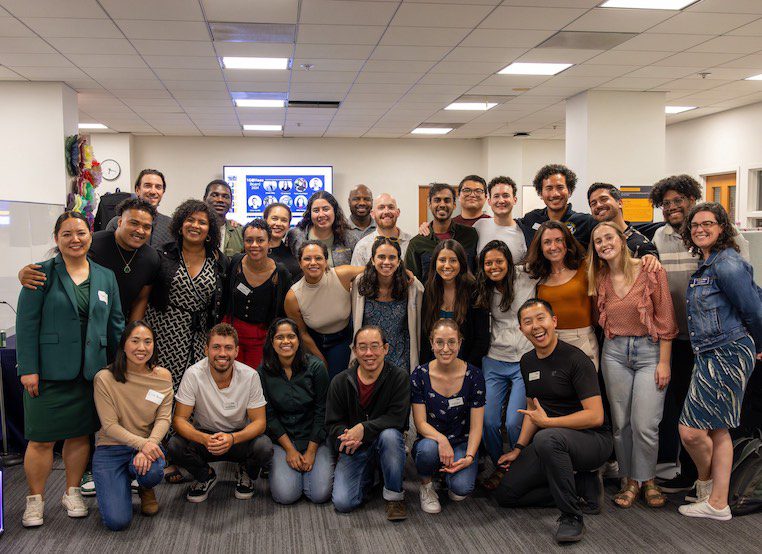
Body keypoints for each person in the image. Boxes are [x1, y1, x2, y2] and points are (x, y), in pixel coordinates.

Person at [17, 211, 124, 528]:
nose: (75, 239)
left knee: (79, 436)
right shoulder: (40, 273)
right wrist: (28, 369)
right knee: (41, 440)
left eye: (80, 233)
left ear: (90, 235)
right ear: (56, 239)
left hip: (91, 372)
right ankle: (35, 500)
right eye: (67, 234)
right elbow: (26, 324)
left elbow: (115, 323)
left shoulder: (105, 276)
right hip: (47, 373)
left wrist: (117, 368)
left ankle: (72, 492)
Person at [649, 175, 750, 495]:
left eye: (679, 200)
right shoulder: (660, 237)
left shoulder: (724, 237)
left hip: (715, 340)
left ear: (693, 199)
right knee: (684, 408)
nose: (672, 207)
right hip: (677, 339)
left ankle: (722, 483)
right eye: (665, 203)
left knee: (716, 416)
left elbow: (743, 290)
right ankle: (691, 473)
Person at [494, 299, 612, 545]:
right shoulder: (527, 361)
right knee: (506, 494)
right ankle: (581, 485)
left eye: (541, 318)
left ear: (554, 321)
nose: (536, 326)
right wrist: (518, 448)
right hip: (551, 438)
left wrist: (548, 423)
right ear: (521, 330)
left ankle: (571, 516)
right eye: (528, 322)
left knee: (547, 438)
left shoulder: (576, 359)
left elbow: (595, 416)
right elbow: (532, 410)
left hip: (592, 440)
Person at [677, 203, 762, 521]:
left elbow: (754, 309)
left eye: (707, 223)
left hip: (726, 352)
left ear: (722, 226)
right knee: (717, 430)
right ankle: (717, 500)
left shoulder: (727, 264)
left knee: (691, 431)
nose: (700, 228)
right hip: (711, 352)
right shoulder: (710, 261)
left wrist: (759, 344)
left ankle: (711, 491)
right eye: (695, 225)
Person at [589, 222, 678, 509]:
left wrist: (664, 362)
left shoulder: (650, 269)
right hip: (614, 353)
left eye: (608, 237)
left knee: (645, 424)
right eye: (598, 241)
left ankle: (648, 480)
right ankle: (629, 480)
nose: (604, 243)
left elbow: (666, 319)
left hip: (649, 351)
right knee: (621, 424)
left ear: (621, 239)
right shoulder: (600, 277)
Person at [168, 323, 273, 503]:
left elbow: (259, 422)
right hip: (205, 438)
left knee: (264, 446)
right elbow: (179, 420)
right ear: (206, 350)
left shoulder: (250, 376)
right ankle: (206, 475)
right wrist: (204, 439)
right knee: (174, 445)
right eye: (216, 347)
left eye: (228, 348)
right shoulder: (193, 374)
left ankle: (245, 471)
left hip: (238, 438)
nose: (222, 353)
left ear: (236, 351)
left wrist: (232, 439)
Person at [19, 197, 160, 323]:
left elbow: (141, 299)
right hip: (77, 323)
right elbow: (57, 266)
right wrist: (26, 274)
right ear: (120, 222)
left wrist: (132, 332)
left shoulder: (151, 258)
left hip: (115, 326)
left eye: (146, 227)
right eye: (134, 223)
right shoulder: (92, 244)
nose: (140, 231)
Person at [91, 321, 173, 530]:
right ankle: (122, 484)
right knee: (117, 522)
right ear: (124, 345)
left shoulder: (162, 376)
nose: (142, 348)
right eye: (135, 341)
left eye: (148, 342)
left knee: (153, 473)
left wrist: (148, 446)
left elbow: (164, 419)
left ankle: (145, 486)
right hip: (111, 448)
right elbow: (109, 426)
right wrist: (143, 445)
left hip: (147, 446)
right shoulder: (105, 378)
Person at [326, 326, 410, 521]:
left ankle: (394, 497)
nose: (369, 353)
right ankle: (372, 476)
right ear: (354, 351)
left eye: (375, 346)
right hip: (354, 448)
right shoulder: (340, 381)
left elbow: (398, 419)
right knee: (343, 503)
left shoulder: (399, 377)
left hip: (386, 443)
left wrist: (363, 429)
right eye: (362, 347)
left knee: (390, 435)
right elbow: (332, 423)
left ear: (386, 348)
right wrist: (347, 437)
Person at [145, 199, 229, 393]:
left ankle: (184, 424)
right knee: (158, 385)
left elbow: (220, 304)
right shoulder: (163, 254)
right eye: (190, 220)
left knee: (192, 388)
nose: (195, 226)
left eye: (202, 222)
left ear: (210, 230)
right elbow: (144, 296)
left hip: (198, 336)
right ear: (180, 223)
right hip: (162, 331)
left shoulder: (218, 260)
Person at [474, 240, 537, 488]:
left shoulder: (527, 276)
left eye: (499, 261)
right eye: (488, 263)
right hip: (495, 358)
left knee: (513, 421)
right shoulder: (483, 287)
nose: (493, 267)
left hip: (524, 358)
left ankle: (519, 465)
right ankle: (500, 465)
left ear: (509, 262)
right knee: (488, 420)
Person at [411, 319, 485, 514]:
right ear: (431, 343)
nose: (446, 348)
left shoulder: (475, 376)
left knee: (461, 489)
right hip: (431, 441)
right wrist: (440, 439)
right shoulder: (419, 374)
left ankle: (448, 478)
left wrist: (469, 457)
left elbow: (477, 426)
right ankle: (426, 485)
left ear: (460, 343)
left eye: (452, 342)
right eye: (440, 342)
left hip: (462, 441)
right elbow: (419, 423)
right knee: (427, 451)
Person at [258, 319, 334, 505]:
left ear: (299, 340)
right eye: (279, 337)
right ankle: (282, 468)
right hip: (282, 440)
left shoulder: (316, 368)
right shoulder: (263, 372)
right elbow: (268, 414)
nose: (286, 342)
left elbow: (322, 411)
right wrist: (290, 450)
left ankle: (309, 468)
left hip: (314, 438)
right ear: (271, 342)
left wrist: (311, 451)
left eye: (291, 336)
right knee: (286, 496)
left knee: (319, 495)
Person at [285, 241, 365, 379]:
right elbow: (302, 333)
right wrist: (320, 359)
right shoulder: (293, 297)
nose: (313, 263)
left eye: (318, 258)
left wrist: (404, 271)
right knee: (316, 378)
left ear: (326, 261)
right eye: (307, 259)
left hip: (342, 339)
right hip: (313, 341)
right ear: (299, 263)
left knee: (337, 380)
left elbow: (377, 268)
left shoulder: (342, 275)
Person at [525, 221, 599, 369]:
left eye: (559, 240)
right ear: (540, 247)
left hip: (582, 340)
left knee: (584, 391)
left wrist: (648, 257)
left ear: (568, 242)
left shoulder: (586, 266)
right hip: (549, 341)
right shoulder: (536, 275)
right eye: (547, 242)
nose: (553, 247)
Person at [223, 219, 292, 368]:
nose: (254, 245)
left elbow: (283, 311)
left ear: (269, 242)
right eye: (249, 240)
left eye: (260, 240)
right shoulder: (235, 263)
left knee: (254, 380)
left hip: (261, 338)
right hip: (231, 335)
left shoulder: (280, 273)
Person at [351, 236, 424, 372]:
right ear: (372, 260)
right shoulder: (360, 283)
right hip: (369, 357)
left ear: (399, 261)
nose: (386, 262)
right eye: (381, 257)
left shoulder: (411, 286)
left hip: (401, 360)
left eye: (392, 257)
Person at [419, 240, 489, 369]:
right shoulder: (427, 289)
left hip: (466, 365)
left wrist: (466, 367)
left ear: (461, 263)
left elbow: (482, 339)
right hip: (433, 367)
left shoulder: (474, 291)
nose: (447, 265)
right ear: (435, 263)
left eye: (453, 260)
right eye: (442, 260)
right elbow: (424, 335)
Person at [404, 183, 478, 282]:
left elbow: (477, 271)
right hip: (431, 297)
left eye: (447, 200)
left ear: (454, 205)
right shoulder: (417, 243)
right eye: (437, 200)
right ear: (430, 205)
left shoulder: (470, 235)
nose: (442, 204)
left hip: (466, 296)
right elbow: (412, 281)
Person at [517, 164, 595, 249]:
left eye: (560, 187)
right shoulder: (531, 219)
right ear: (540, 193)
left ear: (569, 191)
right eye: (549, 188)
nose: (555, 194)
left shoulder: (585, 222)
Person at [587, 182, 658, 259]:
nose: (598, 205)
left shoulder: (640, 245)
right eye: (593, 204)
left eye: (604, 199)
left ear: (620, 203)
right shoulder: (595, 246)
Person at [287, 191, 358, 267]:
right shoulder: (296, 235)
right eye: (316, 210)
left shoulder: (349, 237)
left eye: (325, 209)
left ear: (335, 211)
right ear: (310, 213)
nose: (321, 214)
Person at [106, 169, 172, 246]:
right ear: (137, 190)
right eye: (148, 186)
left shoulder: (170, 225)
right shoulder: (117, 223)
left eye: (158, 187)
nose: (153, 192)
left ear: (163, 192)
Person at [473, 175, 527, 261]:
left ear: (515, 200)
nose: (501, 201)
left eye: (506, 195)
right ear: (489, 201)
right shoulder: (479, 226)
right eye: (496, 196)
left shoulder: (523, 232)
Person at [351, 193, 412, 266]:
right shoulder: (362, 247)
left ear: (398, 212)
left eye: (391, 207)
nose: (386, 211)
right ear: (372, 214)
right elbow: (357, 276)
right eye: (381, 207)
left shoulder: (411, 243)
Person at [204, 179, 244, 257]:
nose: (220, 200)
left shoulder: (240, 232)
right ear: (205, 199)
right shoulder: (196, 229)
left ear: (231, 202)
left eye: (225, 197)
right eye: (215, 195)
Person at [264, 202, 302, 281]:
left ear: (288, 225)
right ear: (265, 221)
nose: (278, 223)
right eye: (274, 218)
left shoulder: (293, 256)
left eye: (284, 220)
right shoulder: (252, 250)